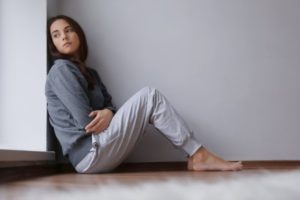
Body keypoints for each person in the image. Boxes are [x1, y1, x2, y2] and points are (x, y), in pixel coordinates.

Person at [46, 15, 243, 173]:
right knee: (150, 97)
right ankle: (199, 155)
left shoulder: (91, 73)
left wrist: (108, 112)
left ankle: (197, 156)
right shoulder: (61, 71)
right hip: (89, 154)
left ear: (78, 34)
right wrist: (108, 112)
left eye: (69, 30)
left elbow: (110, 105)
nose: (64, 36)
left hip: (99, 151)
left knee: (148, 98)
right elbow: (86, 122)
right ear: (52, 44)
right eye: (56, 34)